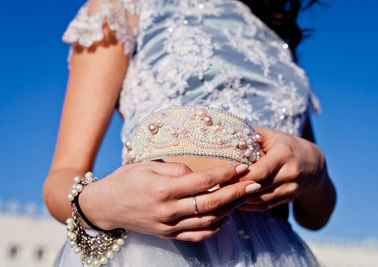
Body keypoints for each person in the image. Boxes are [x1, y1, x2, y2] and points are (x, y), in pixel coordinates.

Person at [43, 0, 336, 266]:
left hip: (274, 254)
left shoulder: (278, 42)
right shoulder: (125, 6)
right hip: (155, 248)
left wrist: (317, 169)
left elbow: (314, 215)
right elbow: (63, 175)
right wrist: (100, 206)